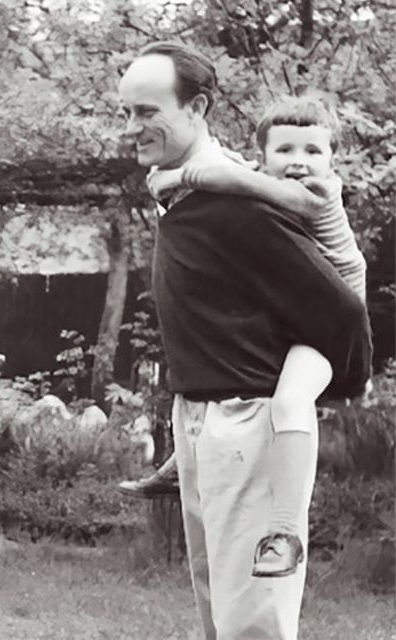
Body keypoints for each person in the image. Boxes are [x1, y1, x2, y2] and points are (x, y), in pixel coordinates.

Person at [118, 42, 371, 639]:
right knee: (220, 614)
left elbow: (342, 308)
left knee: (250, 624)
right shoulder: (186, 193)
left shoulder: (237, 205)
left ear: (197, 106)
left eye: (147, 111)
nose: (132, 128)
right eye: (126, 112)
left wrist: (343, 381)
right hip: (204, 416)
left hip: (250, 419)